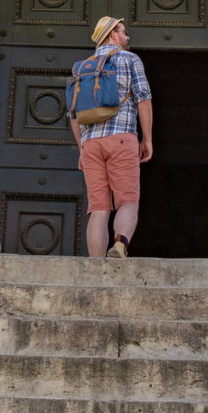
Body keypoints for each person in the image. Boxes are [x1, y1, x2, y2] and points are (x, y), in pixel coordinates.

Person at [69, 14, 152, 258]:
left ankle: (96, 265)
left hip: (91, 144)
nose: (127, 36)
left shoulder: (82, 67)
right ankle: (119, 244)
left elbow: (74, 115)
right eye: (124, 32)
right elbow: (143, 99)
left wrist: (82, 148)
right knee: (127, 201)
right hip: (121, 138)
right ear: (113, 34)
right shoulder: (130, 59)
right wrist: (147, 139)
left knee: (99, 209)